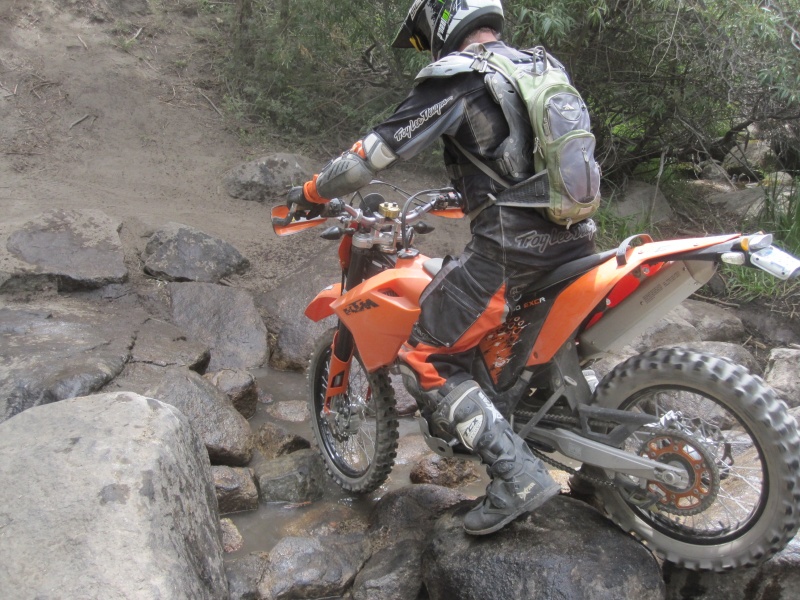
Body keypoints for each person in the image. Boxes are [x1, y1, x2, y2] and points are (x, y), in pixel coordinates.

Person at [287, 0, 597, 535]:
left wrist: (312, 192)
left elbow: (368, 158)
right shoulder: (538, 67)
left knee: (426, 354)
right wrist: (466, 195)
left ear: (441, 19)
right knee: (510, 347)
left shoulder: (460, 76)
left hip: (512, 252)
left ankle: (519, 476)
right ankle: (578, 453)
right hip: (578, 239)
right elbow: (526, 163)